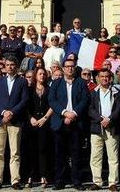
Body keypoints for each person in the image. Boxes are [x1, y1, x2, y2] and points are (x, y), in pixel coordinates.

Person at [48, 58, 90, 190]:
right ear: (63, 68)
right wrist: (65, 113)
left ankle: (77, 182)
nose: (69, 69)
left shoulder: (81, 83)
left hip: (76, 123)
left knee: (76, 154)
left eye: (72, 66)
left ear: (75, 67)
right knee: (59, 154)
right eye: (67, 66)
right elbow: (52, 100)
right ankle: (59, 181)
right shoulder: (56, 83)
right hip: (60, 123)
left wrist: (74, 114)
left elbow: (85, 100)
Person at [0, 56, 28, 190]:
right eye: (8, 65)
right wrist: (3, 112)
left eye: (13, 65)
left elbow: (24, 100)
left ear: (16, 66)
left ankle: (15, 180)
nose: (10, 67)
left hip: (15, 120)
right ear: (5, 66)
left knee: (15, 152)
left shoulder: (22, 82)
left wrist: (11, 113)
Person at [88, 68, 120, 191]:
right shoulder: (93, 92)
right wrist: (100, 119)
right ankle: (97, 182)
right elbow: (90, 109)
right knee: (95, 157)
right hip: (97, 127)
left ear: (110, 77)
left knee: (113, 157)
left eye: (106, 76)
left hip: (112, 127)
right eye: (101, 76)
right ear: (98, 78)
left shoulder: (117, 92)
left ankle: (112, 182)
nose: (104, 78)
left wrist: (110, 119)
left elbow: (119, 108)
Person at [24, 67, 53, 188]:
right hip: (32, 123)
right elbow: (25, 106)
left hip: (45, 123)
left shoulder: (49, 89)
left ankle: (43, 176)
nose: (42, 76)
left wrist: (45, 118)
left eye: (44, 74)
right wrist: (30, 118)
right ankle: (30, 176)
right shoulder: (29, 90)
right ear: (35, 76)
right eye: (40, 74)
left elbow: (53, 104)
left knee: (43, 150)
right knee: (31, 150)